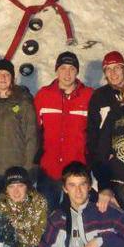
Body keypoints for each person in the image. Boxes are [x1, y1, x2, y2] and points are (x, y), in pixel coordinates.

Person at [33, 161, 124, 247]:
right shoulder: (58, 218)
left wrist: (101, 241)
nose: (78, 191)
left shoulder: (107, 211)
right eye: (72, 185)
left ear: (89, 186)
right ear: (64, 188)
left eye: (82, 184)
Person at [34, 51, 93, 208]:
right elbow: (34, 131)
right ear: (56, 70)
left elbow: (95, 132)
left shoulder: (88, 96)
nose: (67, 73)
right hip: (49, 168)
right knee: (47, 216)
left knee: (77, 215)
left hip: (77, 171)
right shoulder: (43, 95)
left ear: (77, 72)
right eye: (63, 68)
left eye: (72, 69)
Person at [0, 59, 37, 208]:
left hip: (16, 169)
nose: (3, 78)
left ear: (12, 78)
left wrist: (27, 167)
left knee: (18, 212)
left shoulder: (23, 101)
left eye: (7, 74)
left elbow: (31, 136)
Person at [0, 166, 48, 247]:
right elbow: (1, 239)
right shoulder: (0, 204)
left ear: (27, 186)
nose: (16, 191)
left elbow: (37, 238)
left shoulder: (39, 202)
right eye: (11, 186)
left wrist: (15, 226)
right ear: (6, 189)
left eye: (20, 186)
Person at [86, 51, 124, 179]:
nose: (113, 73)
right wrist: (98, 160)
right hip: (107, 162)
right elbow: (92, 131)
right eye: (108, 69)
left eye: (116, 68)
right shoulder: (99, 96)